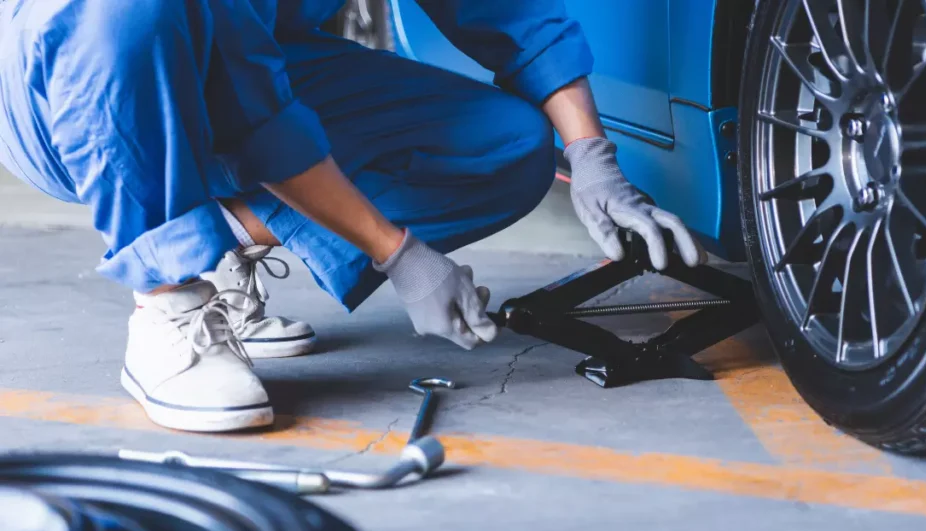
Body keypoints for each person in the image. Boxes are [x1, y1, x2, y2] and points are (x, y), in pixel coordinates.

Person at [0, 0, 706, 433]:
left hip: (247, 59)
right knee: (127, 10)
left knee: (508, 144)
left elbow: (510, 16)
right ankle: (166, 296)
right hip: (71, 83)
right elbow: (257, 119)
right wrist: (395, 250)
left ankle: (214, 240)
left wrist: (590, 155)